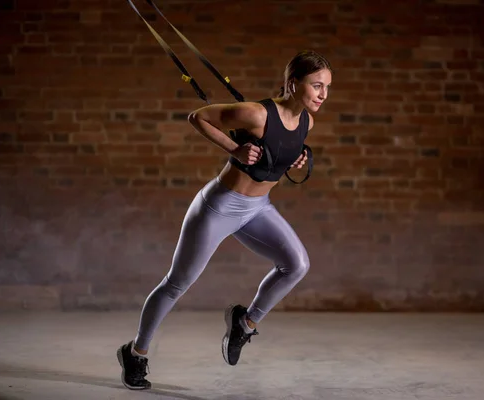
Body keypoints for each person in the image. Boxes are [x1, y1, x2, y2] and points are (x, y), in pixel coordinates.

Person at [116, 49, 333, 390]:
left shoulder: (307, 121)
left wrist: (296, 159)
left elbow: (279, 152)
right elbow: (197, 117)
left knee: (297, 264)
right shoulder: (257, 113)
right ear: (293, 84)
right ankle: (136, 352)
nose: (323, 94)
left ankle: (244, 324)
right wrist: (233, 150)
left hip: (258, 208)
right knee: (177, 283)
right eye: (316, 85)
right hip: (219, 207)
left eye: (327, 87)